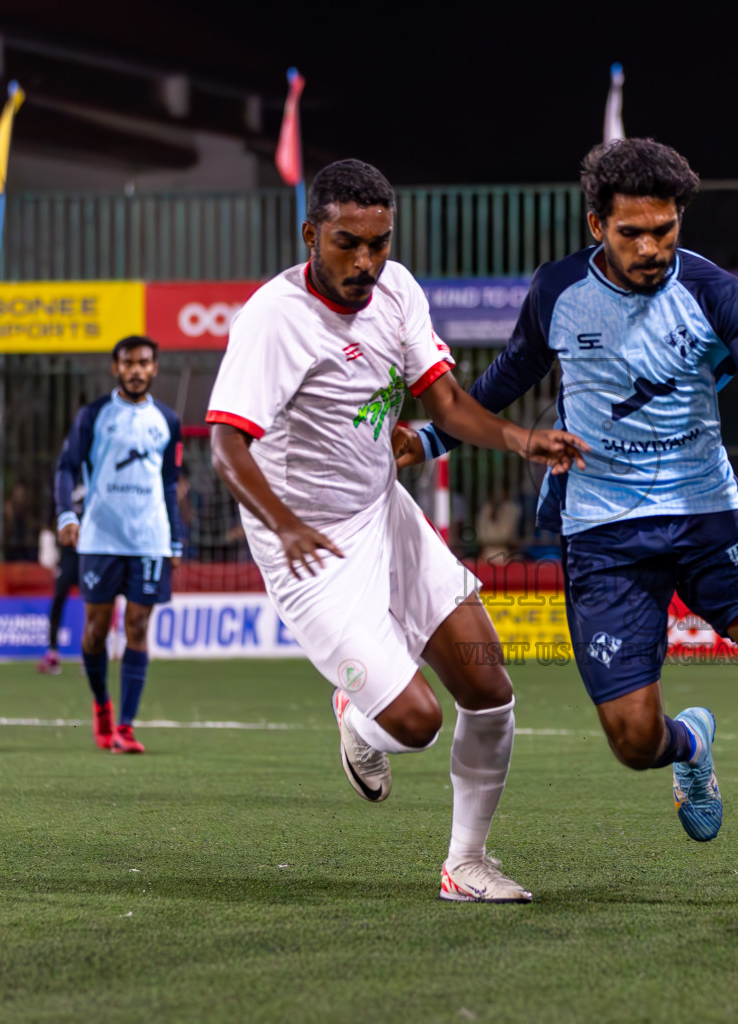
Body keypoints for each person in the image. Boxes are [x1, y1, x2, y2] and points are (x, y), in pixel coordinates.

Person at [402, 139, 738, 914]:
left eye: (665, 229)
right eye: (632, 232)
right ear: (597, 224)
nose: (652, 247)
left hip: (711, 523)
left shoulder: (716, 291)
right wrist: (429, 438)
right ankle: (689, 745)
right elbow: (508, 377)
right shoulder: (557, 290)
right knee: (634, 741)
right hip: (604, 540)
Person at [207, 158, 586, 904]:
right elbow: (225, 445)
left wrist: (520, 440)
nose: (367, 262)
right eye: (348, 243)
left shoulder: (397, 289)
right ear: (311, 234)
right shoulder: (273, 319)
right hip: (308, 549)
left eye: (379, 243)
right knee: (416, 722)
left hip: (384, 510)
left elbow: (443, 404)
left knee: (490, 688)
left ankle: (466, 864)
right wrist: (282, 526)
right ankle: (356, 714)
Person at [55, 336, 183, 754]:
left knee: (139, 627)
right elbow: (67, 467)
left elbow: (169, 484)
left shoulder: (168, 419)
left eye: (144, 362)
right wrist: (66, 515)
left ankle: (126, 727)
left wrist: (175, 539)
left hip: (150, 538)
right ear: (116, 367)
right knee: (95, 630)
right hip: (101, 537)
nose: (136, 369)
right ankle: (102, 706)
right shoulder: (93, 415)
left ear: (154, 368)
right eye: (128, 362)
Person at [38, 481, 84, 675]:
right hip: (67, 557)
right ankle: (53, 652)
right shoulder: (61, 491)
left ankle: (90, 654)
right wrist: (47, 542)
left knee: (94, 605)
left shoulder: (92, 486)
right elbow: (50, 520)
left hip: (87, 556)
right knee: (58, 600)